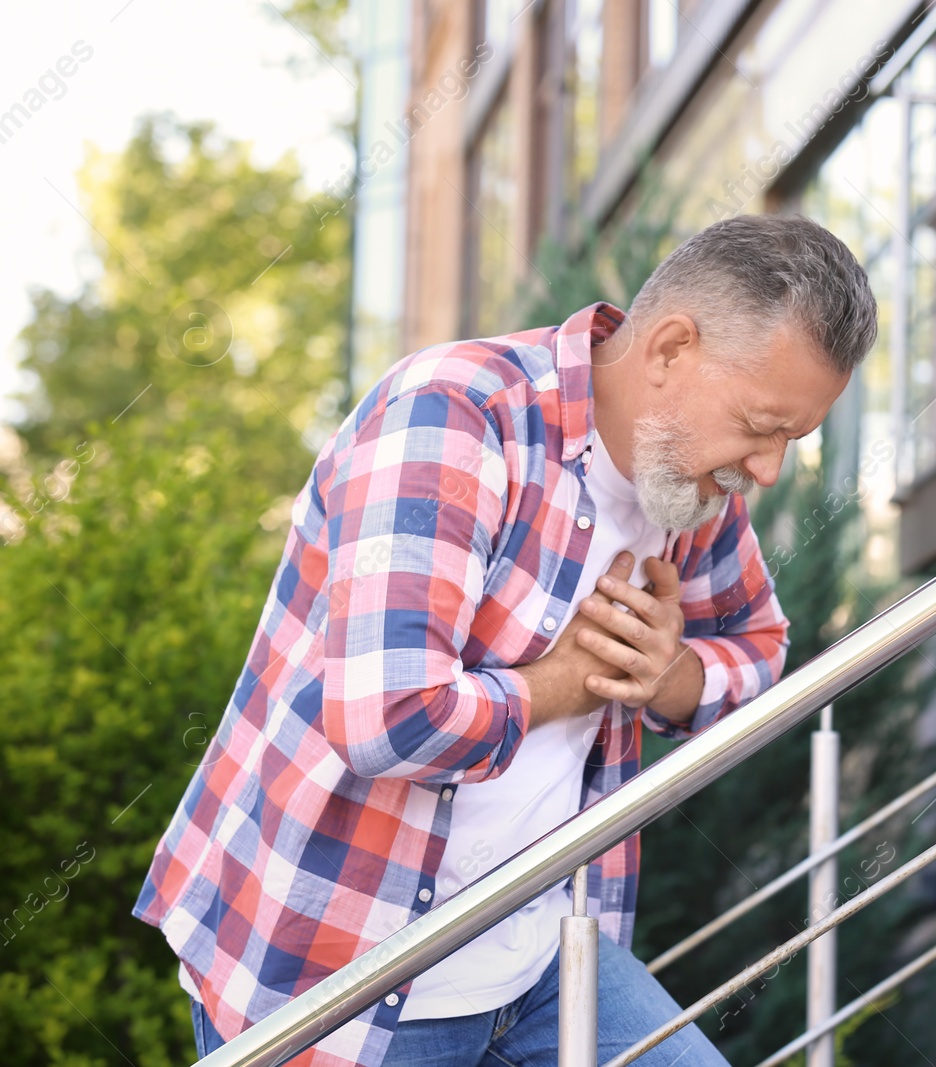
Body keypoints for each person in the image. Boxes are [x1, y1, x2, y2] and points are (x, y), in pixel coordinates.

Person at [132, 213, 879, 1066]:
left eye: (794, 439)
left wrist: (665, 673)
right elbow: (388, 718)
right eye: (763, 425)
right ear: (670, 349)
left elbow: (760, 644)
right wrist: (569, 681)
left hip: (545, 957)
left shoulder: (690, 482)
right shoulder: (453, 415)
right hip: (341, 964)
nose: (771, 468)